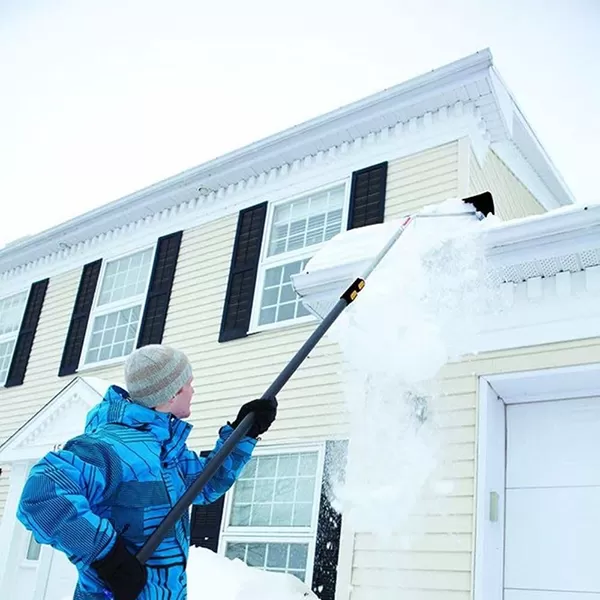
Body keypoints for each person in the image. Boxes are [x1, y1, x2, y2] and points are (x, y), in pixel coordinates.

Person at [16, 344, 277, 600]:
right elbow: (42, 496)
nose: (193, 391)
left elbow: (204, 484)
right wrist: (107, 556)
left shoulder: (166, 450)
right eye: (189, 384)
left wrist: (244, 433)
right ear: (172, 393)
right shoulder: (109, 447)